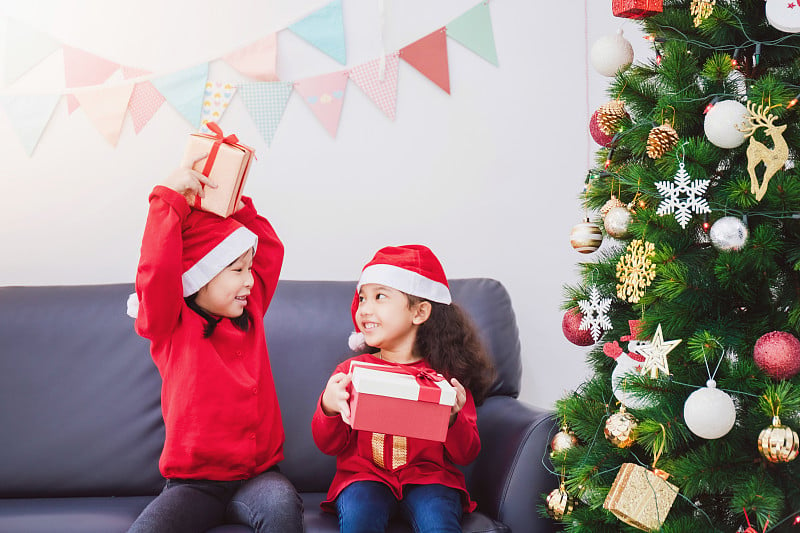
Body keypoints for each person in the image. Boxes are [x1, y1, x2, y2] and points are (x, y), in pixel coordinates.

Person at [126, 159, 303, 533]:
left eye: (250, 270)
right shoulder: (171, 323)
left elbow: (270, 249)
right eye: (237, 271)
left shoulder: (250, 311)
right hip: (193, 485)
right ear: (199, 277)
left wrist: (237, 202)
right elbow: (157, 271)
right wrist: (167, 199)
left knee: (283, 510)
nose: (250, 282)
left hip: (259, 478)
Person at [311, 245, 495, 533]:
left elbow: (467, 453)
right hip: (364, 477)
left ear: (419, 312)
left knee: (438, 520)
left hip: (431, 479)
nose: (364, 309)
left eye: (380, 296)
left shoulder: (444, 380)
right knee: (360, 513)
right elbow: (328, 444)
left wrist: (452, 420)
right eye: (362, 298)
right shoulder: (351, 371)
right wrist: (329, 407)